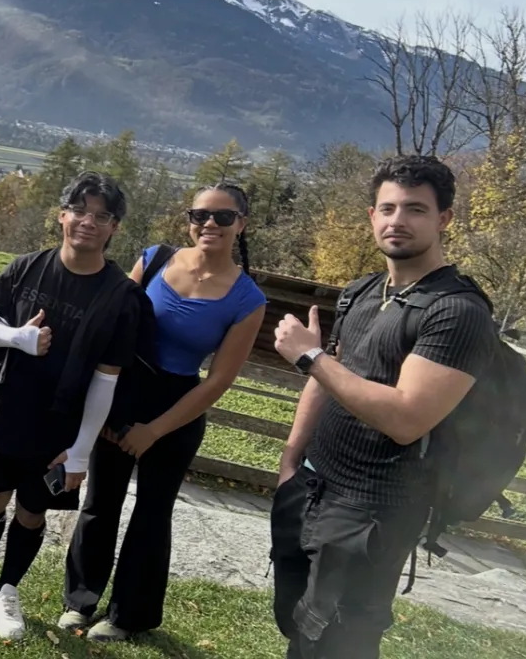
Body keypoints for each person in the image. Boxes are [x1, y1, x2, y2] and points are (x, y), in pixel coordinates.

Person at [270, 155, 498, 659]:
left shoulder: (457, 311)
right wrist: (291, 462)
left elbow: (406, 418)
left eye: (416, 209)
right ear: (372, 216)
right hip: (310, 484)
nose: (398, 220)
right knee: (297, 622)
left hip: (373, 507)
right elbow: (327, 378)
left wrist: (308, 356)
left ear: (445, 219)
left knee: (338, 637)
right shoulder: (362, 292)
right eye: (388, 208)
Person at [0, 170, 141, 641]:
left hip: (59, 430)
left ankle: (7, 589)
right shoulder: (25, 268)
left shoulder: (121, 298)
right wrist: (18, 338)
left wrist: (84, 449)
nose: (88, 221)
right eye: (79, 211)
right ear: (62, 215)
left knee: (32, 510)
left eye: (101, 216)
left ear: (114, 229)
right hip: (2, 412)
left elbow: (108, 380)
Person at [58, 182, 267, 641]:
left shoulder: (248, 299)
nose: (209, 224)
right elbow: (114, 326)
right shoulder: (154, 260)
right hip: (124, 389)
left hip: (178, 408)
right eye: (200, 215)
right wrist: (107, 410)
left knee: (152, 514)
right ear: (188, 220)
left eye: (223, 216)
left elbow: (218, 381)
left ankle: (128, 615)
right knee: (100, 503)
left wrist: (153, 431)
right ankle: (80, 601)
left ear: (242, 224)